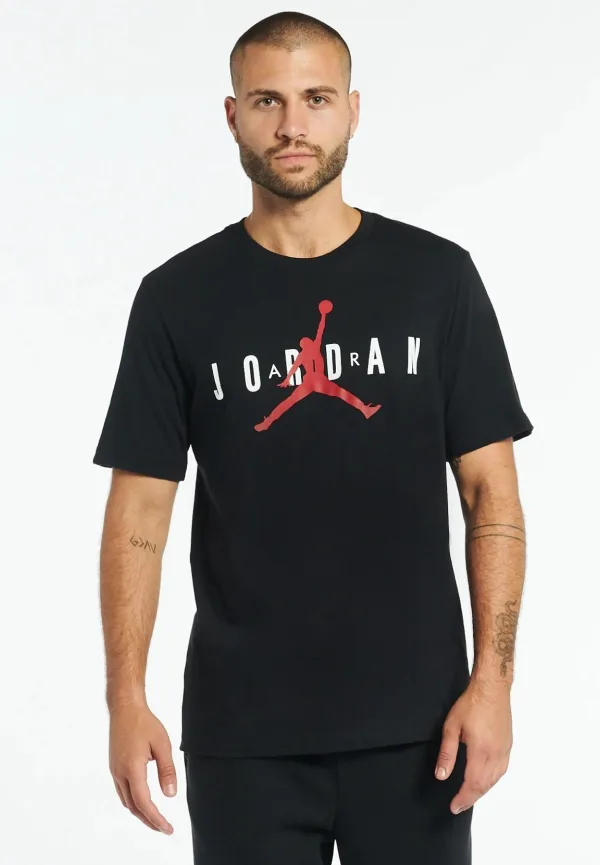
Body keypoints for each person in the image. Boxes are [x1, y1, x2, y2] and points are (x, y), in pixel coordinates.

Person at [92, 10, 534, 864]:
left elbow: (493, 497)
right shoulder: (177, 299)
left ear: (353, 111)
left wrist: (494, 684)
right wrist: (125, 697)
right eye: (268, 100)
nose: (292, 125)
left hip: (423, 730)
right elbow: (139, 511)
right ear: (233, 117)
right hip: (242, 735)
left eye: (316, 98)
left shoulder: (437, 279)